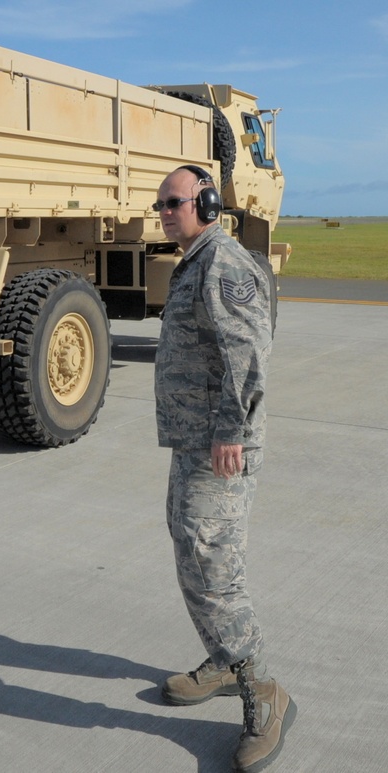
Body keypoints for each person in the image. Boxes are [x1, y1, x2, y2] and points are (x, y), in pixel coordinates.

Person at [152, 165, 295, 773]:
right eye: (159, 203)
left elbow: (249, 352)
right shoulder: (197, 258)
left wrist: (232, 431)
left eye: (174, 202)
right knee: (191, 548)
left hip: (221, 444)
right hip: (196, 442)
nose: (163, 211)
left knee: (214, 563)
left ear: (207, 203)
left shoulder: (224, 262)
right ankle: (222, 657)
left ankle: (261, 688)